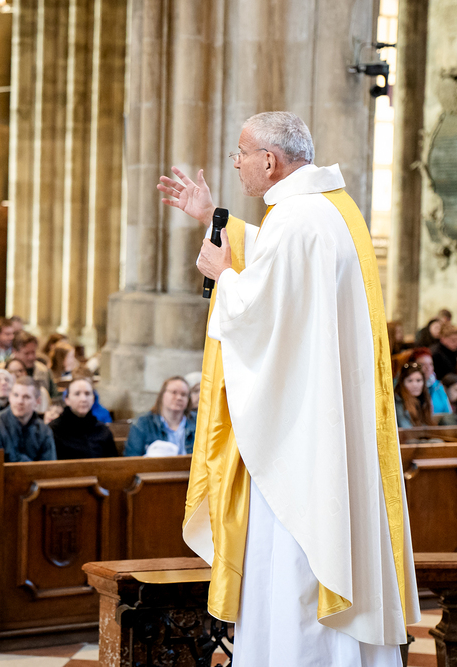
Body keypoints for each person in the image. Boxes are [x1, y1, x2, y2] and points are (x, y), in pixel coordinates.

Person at [158, 111, 417, 664]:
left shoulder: (297, 219)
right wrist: (213, 220)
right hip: (325, 420)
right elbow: (282, 275)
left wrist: (223, 276)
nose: (236, 163)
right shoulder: (330, 209)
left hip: (300, 440)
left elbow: (261, 313)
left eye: (241, 153)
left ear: (270, 161)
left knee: (293, 567)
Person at [0, 376, 55, 462]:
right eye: (16, 395)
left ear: (37, 401)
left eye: (26, 397)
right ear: (10, 397)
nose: (20, 401)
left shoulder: (43, 430)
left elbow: (48, 466)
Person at [124, 376, 196, 457]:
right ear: (162, 395)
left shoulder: (199, 422)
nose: (179, 398)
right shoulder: (142, 423)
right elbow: (132, 458)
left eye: (183, 394)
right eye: (174, 392)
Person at [49, 377, 117, 460]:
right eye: (77, 394)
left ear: (93, 399)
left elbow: (113, 463)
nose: (83, 399)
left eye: (87, 394)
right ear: (67, 400)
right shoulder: (54, 430)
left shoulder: (102, 431)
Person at [10, 332, 58, 397]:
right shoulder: (3, 372)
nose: (31, 357)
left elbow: (54, 397)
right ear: (14, 352)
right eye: (26, 353)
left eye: (33, 352)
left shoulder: (44, 371)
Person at [409, 348, 451, 414]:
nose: (428, 368)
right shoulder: (410, 387)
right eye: (423, 364)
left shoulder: (438, 386)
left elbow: (448, 412)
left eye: (430, 364)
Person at [393, 363, 434, 428]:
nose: (415, 385)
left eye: (418, 380)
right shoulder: (398, 401)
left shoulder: (425, 400)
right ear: (402, 383)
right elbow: (406, 429)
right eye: (410, 381)